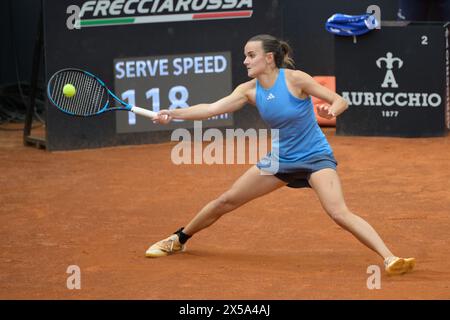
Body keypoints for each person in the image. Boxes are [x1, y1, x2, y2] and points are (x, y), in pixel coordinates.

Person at [146, 34, 415, 275]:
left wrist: (332, 111)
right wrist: (173, 114)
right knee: (225, 201)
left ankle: (390, 258)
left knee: (338, 212)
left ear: (269, 58)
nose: (245, 61)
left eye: (251, 55)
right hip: (280, 160)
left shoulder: (295, 79)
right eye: (245, 56)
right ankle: (178, 239)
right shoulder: (248, 90)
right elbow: (211, 108)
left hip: (314, 157)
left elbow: (339, 100)